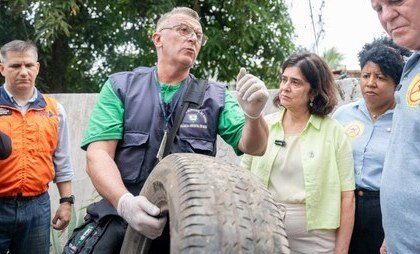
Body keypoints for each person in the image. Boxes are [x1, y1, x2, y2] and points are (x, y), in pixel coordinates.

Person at [79, 6, 269, 253]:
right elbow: (98, 155)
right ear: (157, 39)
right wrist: (125, 202)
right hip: (121, 215)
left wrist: (254, 114)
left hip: (187, 226)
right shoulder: (121, 86)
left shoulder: (216, 96)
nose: (192, 38)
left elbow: (254, 146)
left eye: (198, 36)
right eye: (183, 30)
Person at [241, 52, 355, 254]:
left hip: (317, 241)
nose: (285, 87)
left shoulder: (334, 131)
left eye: (296, 82)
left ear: (313, 92)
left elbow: (347, 197)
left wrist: (341, 250)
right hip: (265, 232)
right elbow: (242, 180)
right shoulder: (264, 125)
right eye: (284, 79)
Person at [333, 37, 410, 254]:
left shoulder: (406, 120)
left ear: (397, 83)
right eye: (366, 75)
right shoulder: (342, 116)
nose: (370, 83)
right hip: (344, 206)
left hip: (385, 211)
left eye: (381, 77)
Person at [0, 40, 74, 254]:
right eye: (15, 66)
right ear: (2, 68)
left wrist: (66, 201)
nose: (23, 72)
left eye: (28, 65)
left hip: (37, 207)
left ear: (37, 67)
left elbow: (62, 160)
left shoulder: (54, 110)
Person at [370, 1, 420, 253]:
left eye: (396, 0)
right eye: (378, 8)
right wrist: (395, 232)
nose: (387, 15)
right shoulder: (412, 65)